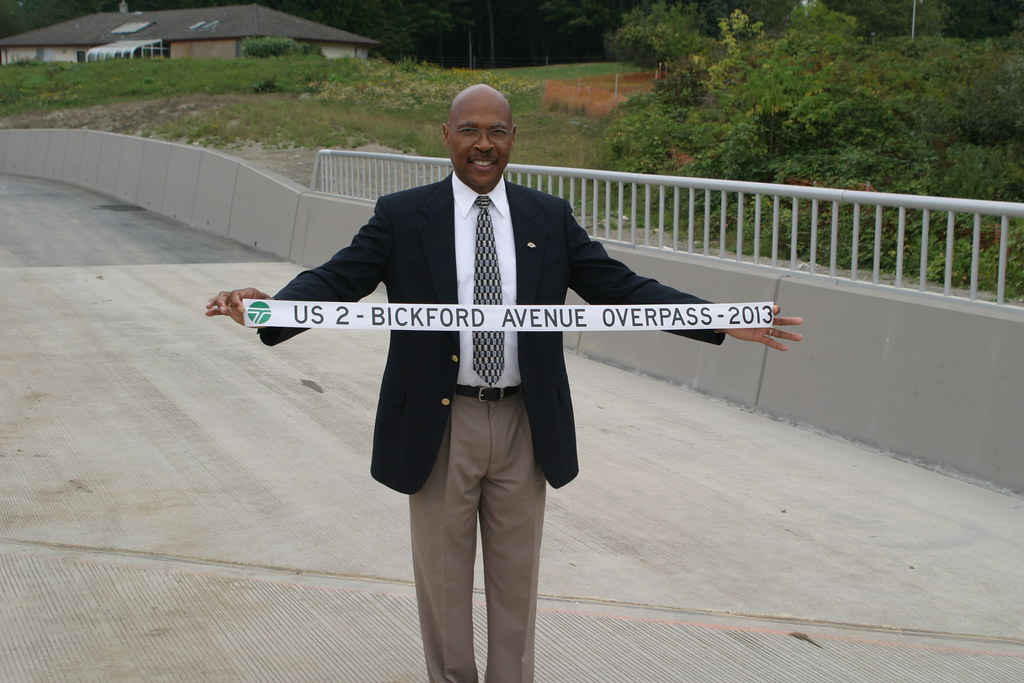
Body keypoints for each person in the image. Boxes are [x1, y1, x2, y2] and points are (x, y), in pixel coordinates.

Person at [207, 83, 803, 682]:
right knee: (443, 579)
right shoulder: (402, 216)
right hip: (441, 423)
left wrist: (715, 319)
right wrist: (272, 308)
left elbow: (619, 288)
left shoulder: (548, 215)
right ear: (447, 136)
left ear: (514, 138)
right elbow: (340, 282)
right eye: (469, 130)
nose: (483, 144)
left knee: (517, 580)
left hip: (524, 420)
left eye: (497, 131)